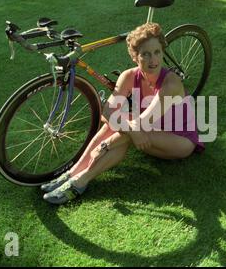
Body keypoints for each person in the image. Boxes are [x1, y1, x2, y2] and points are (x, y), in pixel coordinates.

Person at [42, 22, 204, 204]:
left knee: (127, 130)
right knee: (118, 124)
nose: (153, 60)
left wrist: (106, 145)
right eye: (146, 54)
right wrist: (124, 127)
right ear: (135, 56)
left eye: (157, 52)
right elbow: (107, 112)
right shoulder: (128, 76)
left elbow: (142, 124)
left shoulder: (171, 84)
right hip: (145, 130)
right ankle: (71, 173)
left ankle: (80, 181)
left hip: (178, 140)